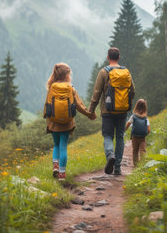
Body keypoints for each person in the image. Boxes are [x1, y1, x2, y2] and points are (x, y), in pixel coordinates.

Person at [44, 63, 95, 181]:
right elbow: (79, 105)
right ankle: (62, 174)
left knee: (56, 145)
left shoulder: (51, 88)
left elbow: (47, 105)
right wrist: (89, 114)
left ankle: (55, 165)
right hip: (67, 122)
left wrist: (47, 120)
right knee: (63, 146)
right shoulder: (71, 89)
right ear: (67, 75)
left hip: (54, 122)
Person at [88, 47, 135, 175]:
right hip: (123, 111)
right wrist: (126, 103)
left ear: (108, 57)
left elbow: (97, 93)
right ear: (119, 57)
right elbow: (132, 91)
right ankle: (118, 167)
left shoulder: (104, 72)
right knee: (120, 136)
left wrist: (91, 110)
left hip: (107, 111)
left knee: (108, 136)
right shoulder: (126, 72)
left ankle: (110, 156)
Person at [125, 99, 150, 167]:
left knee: (135, 151)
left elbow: (127, 124)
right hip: (143, 137)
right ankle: (143, 165)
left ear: (136, 106)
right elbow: (148, 130)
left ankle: (136, 166)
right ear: (145, 107)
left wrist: (123, 131)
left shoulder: (133, 116)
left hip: (135, 136)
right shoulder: (145, 118)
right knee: (143, 150)